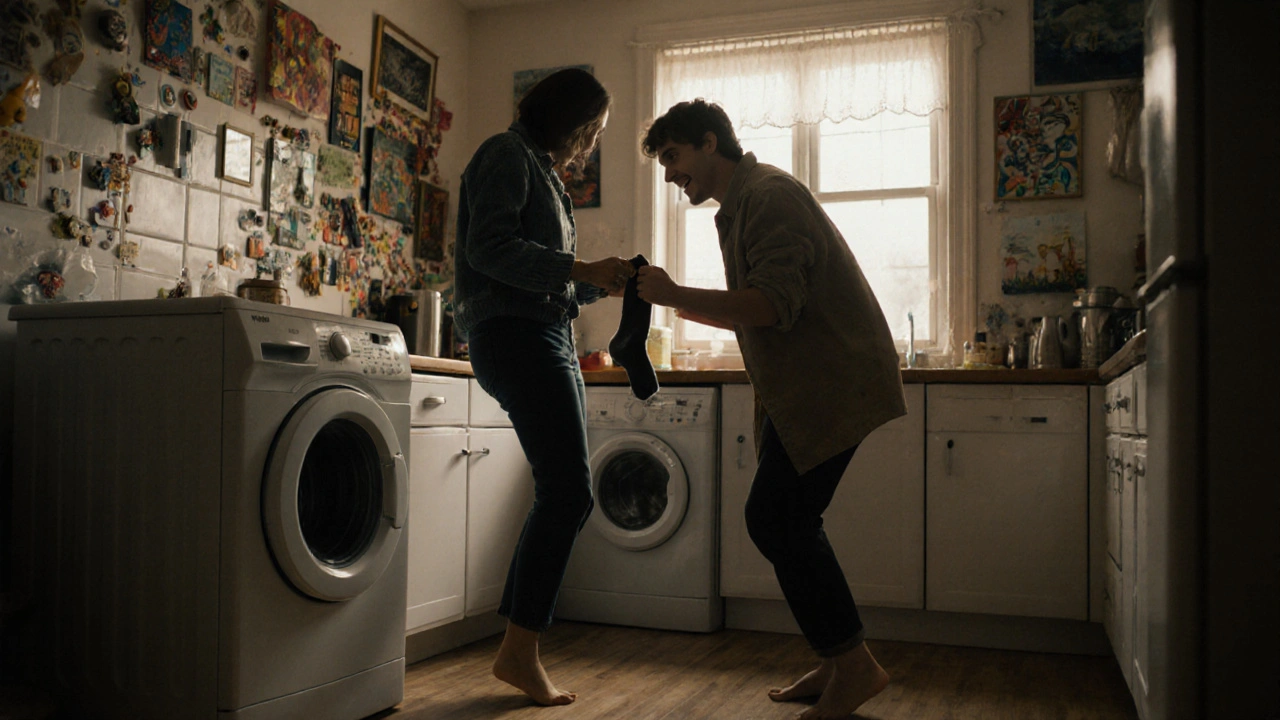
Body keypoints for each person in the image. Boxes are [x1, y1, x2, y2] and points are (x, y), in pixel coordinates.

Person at [636, 99, 907, 720]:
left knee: (777, 519)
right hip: (814, 383)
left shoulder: (769, 196)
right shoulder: (743, 203)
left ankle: (854, 667)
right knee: (789, 520)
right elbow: (762, 305)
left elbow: (771, 303)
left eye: (674, 157)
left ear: (710, 142)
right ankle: (839, 661)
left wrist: (676, 293)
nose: (670, 175)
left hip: (833, 381)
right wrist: (677, 302)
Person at [452, 67, 634, 706]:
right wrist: (583, 266)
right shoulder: (505, 154)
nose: (592, 141)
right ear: (570, 118)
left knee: (567, 495)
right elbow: (489, 249)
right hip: (516, 336)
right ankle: (518, 652)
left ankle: (518, 649)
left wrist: (604, 282)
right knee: (567, 493)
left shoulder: (546, 177)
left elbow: (545, 281)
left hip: (544, 333)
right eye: (593, 128)